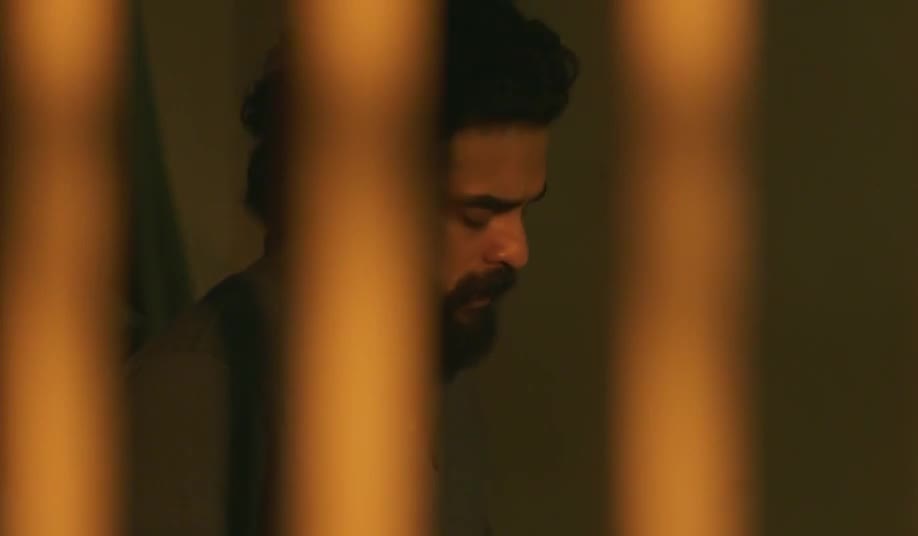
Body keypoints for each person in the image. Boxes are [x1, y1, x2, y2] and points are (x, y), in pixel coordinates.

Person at [125, 1, 578, 534]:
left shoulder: (438, 370)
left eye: (524, 209)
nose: (516, 250)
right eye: (477, 215)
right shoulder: (196, 394)